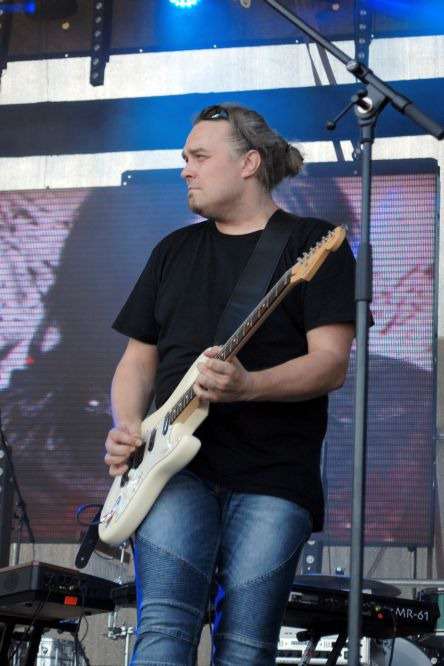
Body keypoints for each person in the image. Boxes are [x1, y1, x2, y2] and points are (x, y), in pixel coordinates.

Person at [104, 103, 356, 666]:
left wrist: (250, 385)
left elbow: (331, 363)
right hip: (171, 472)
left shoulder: (314, 245)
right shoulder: (172, 251)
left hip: (273, 476)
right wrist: (127, 425)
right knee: (163, 630)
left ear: (249, 163)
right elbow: (136, 361)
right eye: (184, 158)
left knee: (246, 645)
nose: (185, 170)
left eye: (198, 156)